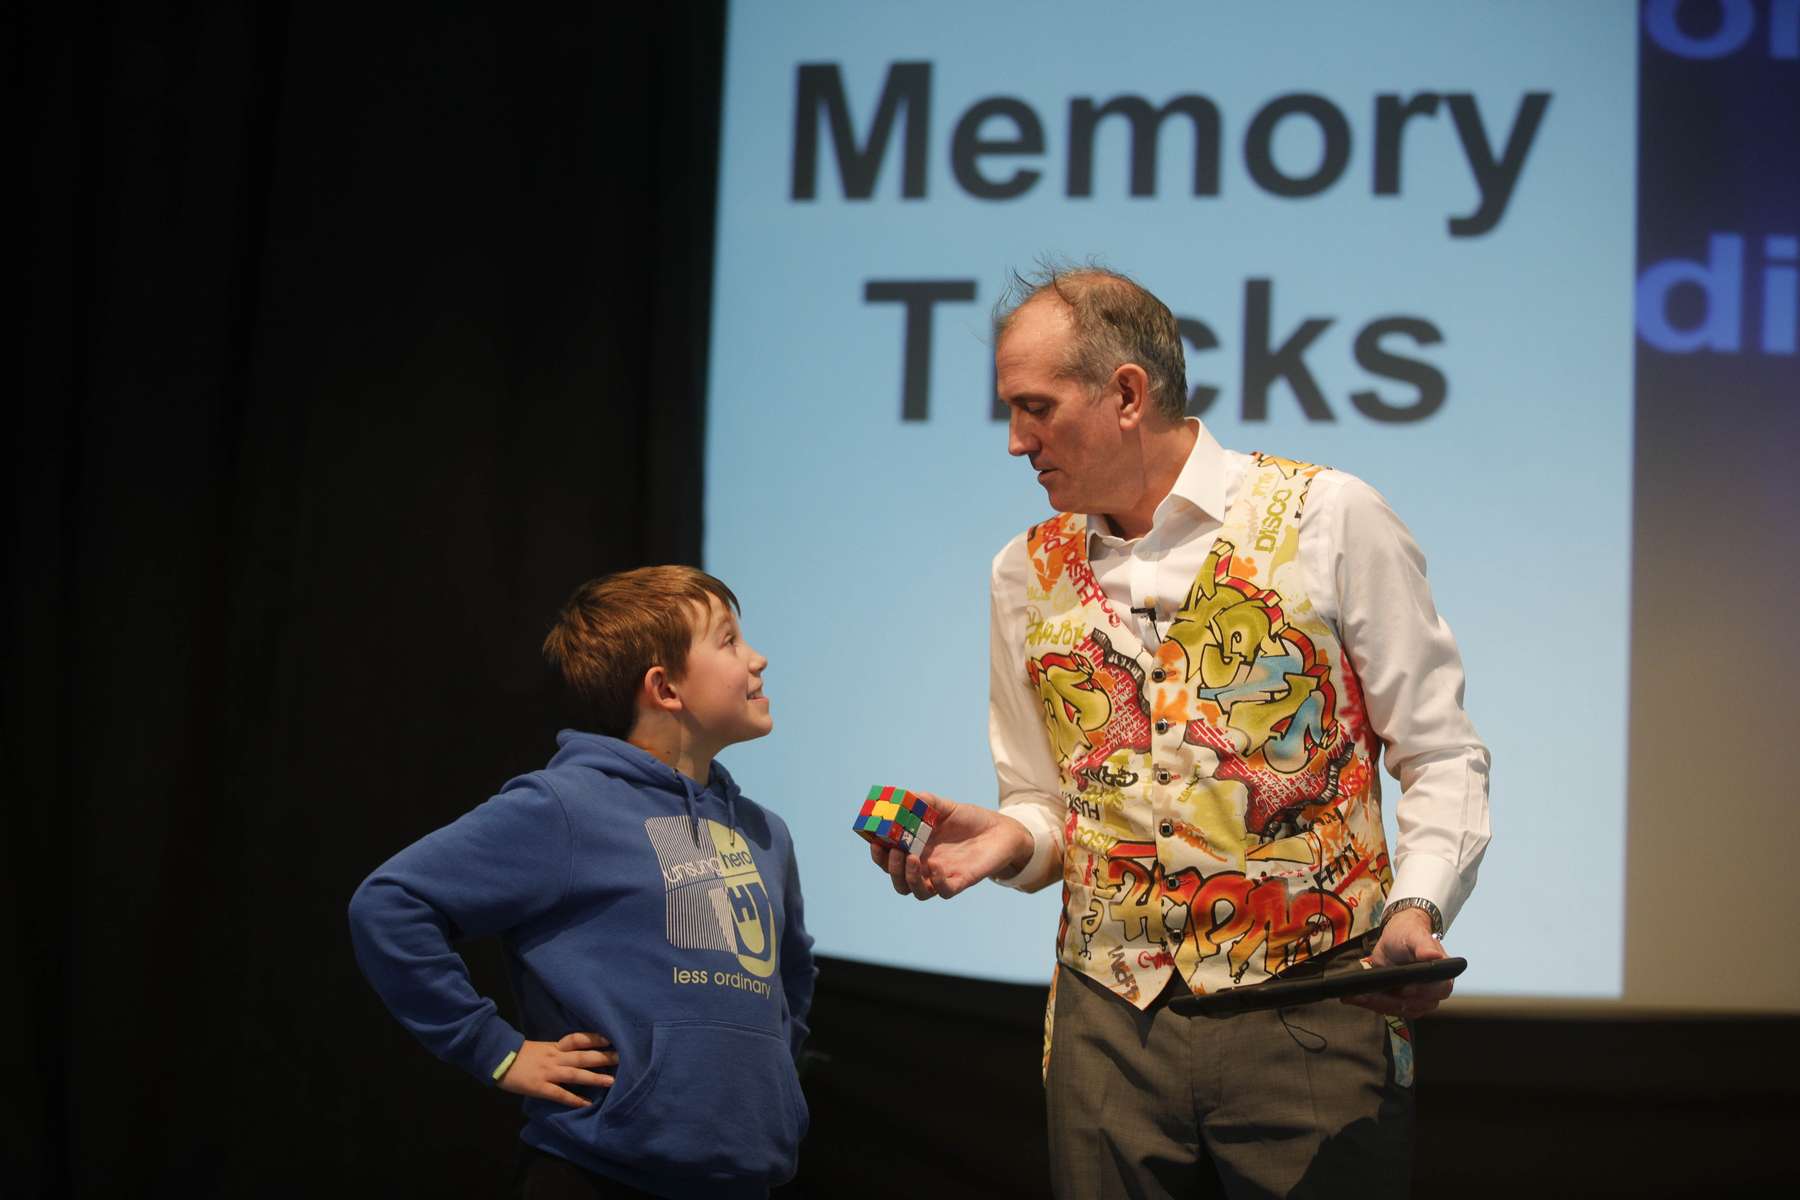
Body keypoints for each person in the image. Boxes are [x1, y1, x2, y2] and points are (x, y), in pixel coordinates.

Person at [872, 266, 1489, 1196]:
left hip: (1312, 1006)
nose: (1015, 442)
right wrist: (1009, 837)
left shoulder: (1328, 518)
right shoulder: (1022, 572)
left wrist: (1419, 906)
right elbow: (1047, 800)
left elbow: (1440, 750)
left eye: (1035, 407)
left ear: (1127, 393)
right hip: (1107, 1026)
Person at [350, 566, 814, 1199]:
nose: (757, 658)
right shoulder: (567, 808)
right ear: (665, 687)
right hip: (595, 1176)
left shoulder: (767, 833)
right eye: (729, 641)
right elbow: (392, 904)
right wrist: (495, 1049)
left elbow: (790, 973)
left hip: (740, 1184)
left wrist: (769, 1073)